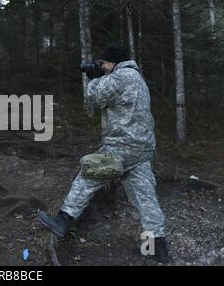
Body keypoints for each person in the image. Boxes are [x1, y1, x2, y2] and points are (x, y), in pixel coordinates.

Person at [37, 43, 169, 264]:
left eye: (104, 63)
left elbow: (94, 100)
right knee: (145, 198)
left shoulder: (120, 78)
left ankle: (63, 221)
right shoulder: (137, 78)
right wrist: (101, 75)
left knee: (87, 176)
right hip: (142, 148)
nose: (103, 66)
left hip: (122, 146)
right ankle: (158, 249)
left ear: (114, 62)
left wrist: (92, 77)